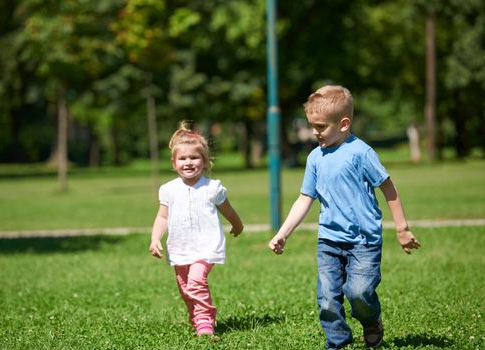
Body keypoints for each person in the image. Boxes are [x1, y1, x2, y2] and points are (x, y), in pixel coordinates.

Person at [268, 85, 420, 349]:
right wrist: (283, 233)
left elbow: (388, 187)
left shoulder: (361, 153)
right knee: (327, 298)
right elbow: (305, 198)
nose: (314, 133)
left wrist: (402, 228)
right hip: (329, 240)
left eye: (320, 127)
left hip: (364, 242)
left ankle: (371, 320)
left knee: (358, 293)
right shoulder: (315, 157)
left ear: (344, 124)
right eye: (312, 126)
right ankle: (337, 342)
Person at [149, 121, 244, 337]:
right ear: (174, 163)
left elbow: (228, 211)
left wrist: (238, 225)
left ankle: (204, 322)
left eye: (194, 157)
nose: (188, 162)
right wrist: (155, 238)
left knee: (196, 281)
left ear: (205, 160)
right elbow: (162, 217)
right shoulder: (168, 190)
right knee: (185, 289)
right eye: (182, 158)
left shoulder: (213, 188)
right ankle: (197, 316)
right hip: (179, 248)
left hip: (206, 247)